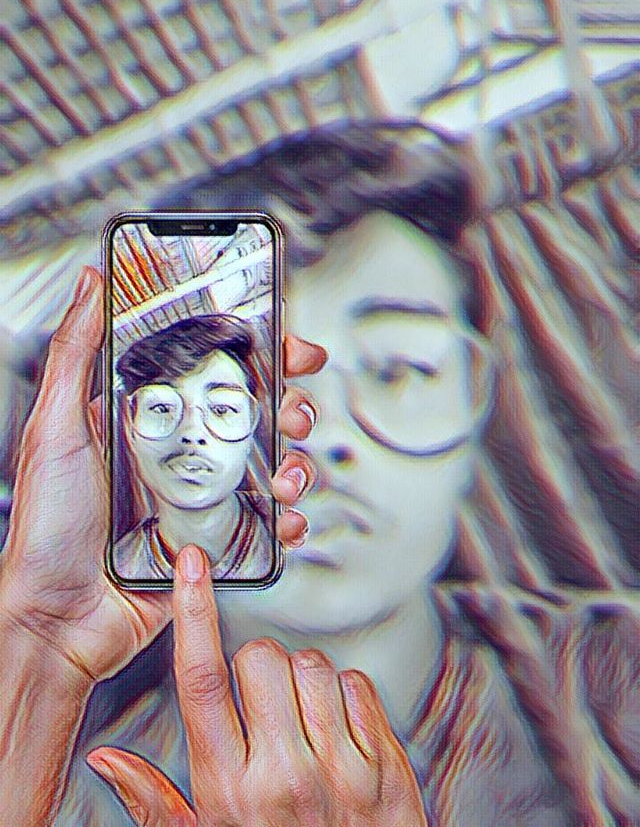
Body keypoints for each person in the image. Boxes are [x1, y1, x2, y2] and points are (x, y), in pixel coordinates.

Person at [2, 122, 639, 825]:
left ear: (474, 400)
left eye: (396, 369)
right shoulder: (77, 796)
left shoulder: (617, 682)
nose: (324, 440)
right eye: (243, 388)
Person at [113, 314, 275, 581]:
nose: (191, 433)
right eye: (162, 408)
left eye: (221, 409)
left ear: (251, 424)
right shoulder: (110, 575)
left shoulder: (297, 538)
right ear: (131, 426)